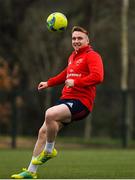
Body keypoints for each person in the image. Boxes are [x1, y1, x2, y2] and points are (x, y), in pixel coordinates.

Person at [11, 26, 104, 179]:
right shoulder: (72, 56)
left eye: (80, 38)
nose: (76, 41)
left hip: (81, 102)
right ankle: (31, 171)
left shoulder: (92, 56)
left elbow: (98, 77)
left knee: (50, 113)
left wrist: (76, 82)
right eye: (74, 38)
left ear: (87, 40)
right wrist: (49, 82)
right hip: (66, 100)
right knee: (43, 132)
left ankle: (49, 150)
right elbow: (65, 74)